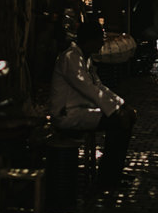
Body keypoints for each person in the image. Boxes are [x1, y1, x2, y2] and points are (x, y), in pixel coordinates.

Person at [50, 20, 138, 191]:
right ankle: (108, 178)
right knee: (118, 123)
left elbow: (99, 87)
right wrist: (115, 112)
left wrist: (122, 105)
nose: (102, 43)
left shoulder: (85, 58)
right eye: (100, 40)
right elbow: (90, 90)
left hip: (80, 110)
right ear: (90, 40)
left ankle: (113, 173)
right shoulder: (71, 58)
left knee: (123, 120)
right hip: (67, 114)